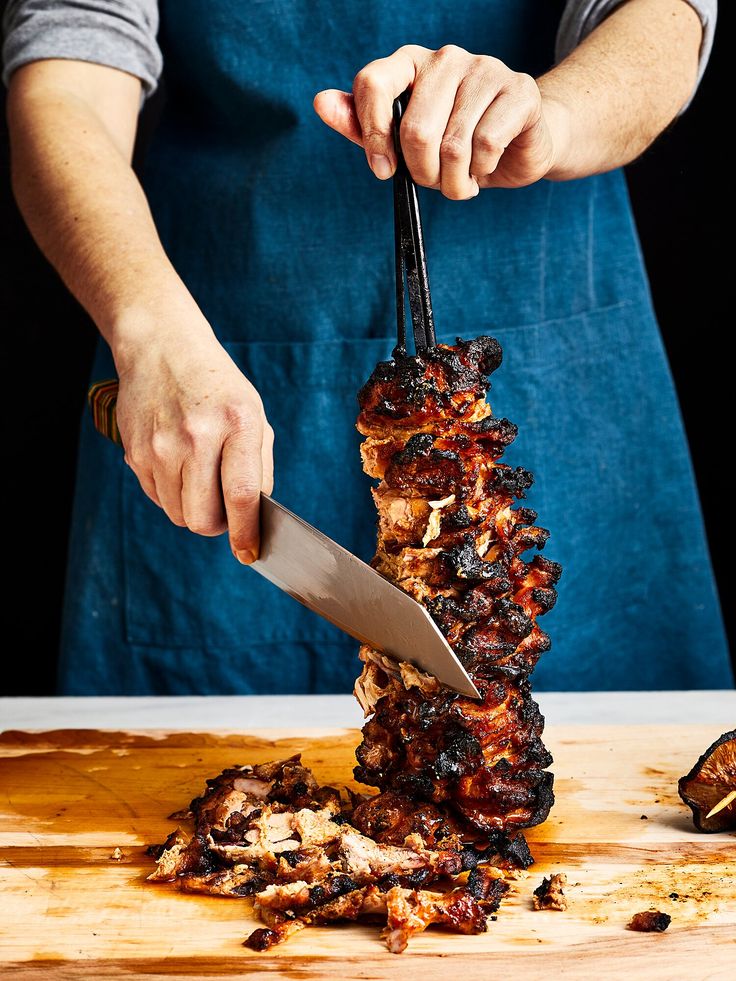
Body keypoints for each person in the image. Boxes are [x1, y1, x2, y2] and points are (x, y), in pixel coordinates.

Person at [2, 0, 731, 694]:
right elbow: (70, 71)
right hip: (204, 366)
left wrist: (554, 118)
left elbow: (665, 14)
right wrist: (150, 333)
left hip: (559, 363)